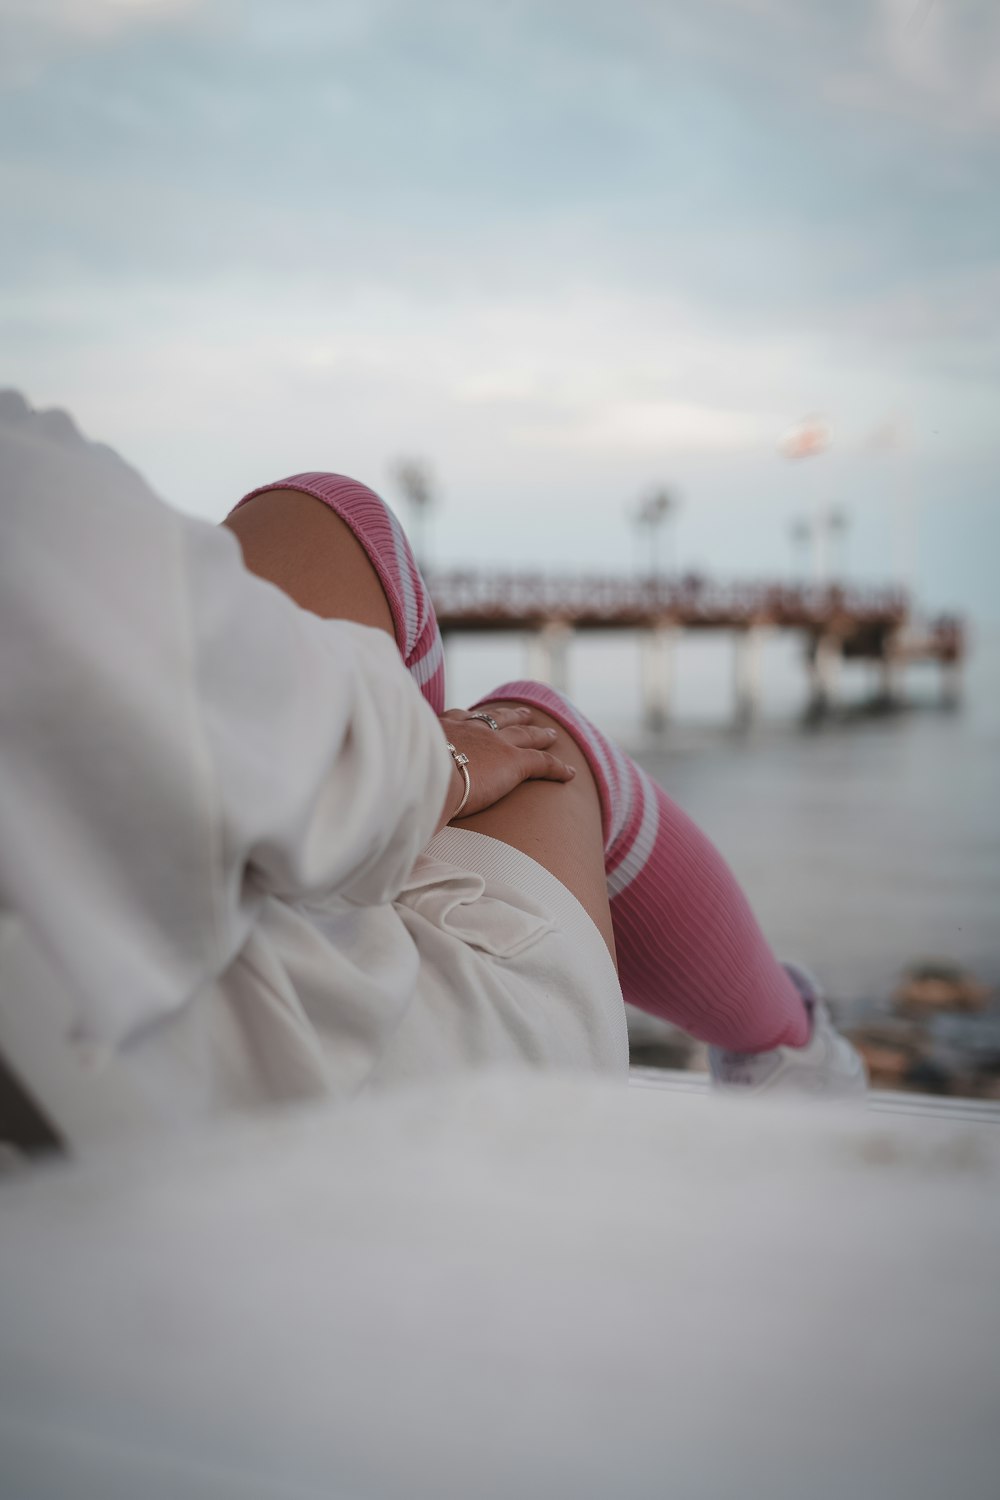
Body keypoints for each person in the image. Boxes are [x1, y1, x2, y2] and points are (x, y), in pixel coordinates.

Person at [0, 435, 863, 1157]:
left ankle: (385, 834)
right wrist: (443, 765)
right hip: (335, 1099)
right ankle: (789, 1055)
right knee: (533, 731)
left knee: (319, 531)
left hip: (78, 1027)